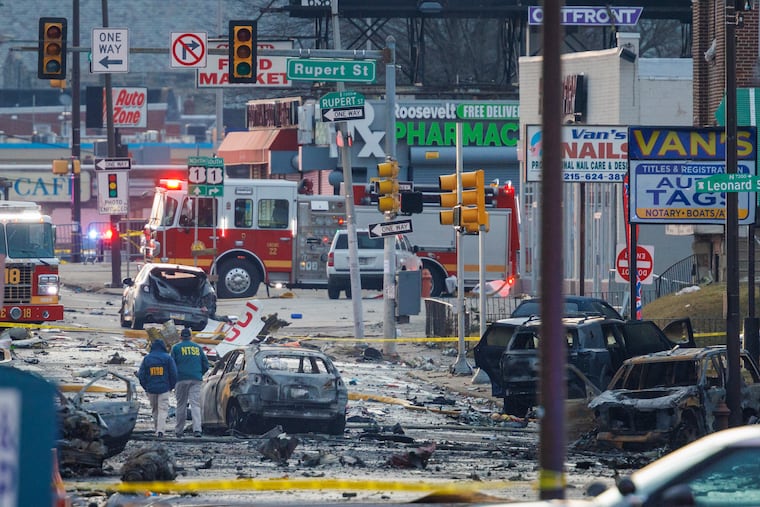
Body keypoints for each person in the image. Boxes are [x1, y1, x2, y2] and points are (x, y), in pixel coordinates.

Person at [171, 326, 209, 438]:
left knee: (181, 404)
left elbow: (171, 365)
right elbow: (206, 365)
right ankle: (197, 430)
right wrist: (198, 373)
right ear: (191, 337)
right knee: (195, 404)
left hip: (181, 379)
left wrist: (174, 377)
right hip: (196, 379)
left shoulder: (176, 348)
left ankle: (179, 430)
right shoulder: (197, 348)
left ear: (180, 336)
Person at [137, 338, 177, 438]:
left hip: (151, 389)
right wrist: (171, 386)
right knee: (163, 410)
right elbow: (174, 374)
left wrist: (146, 387)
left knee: (155, 410)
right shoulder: (167, 358)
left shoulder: (147, 358)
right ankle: (160, 431)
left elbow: (141, 375)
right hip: (164, 388)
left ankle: (156, 429)